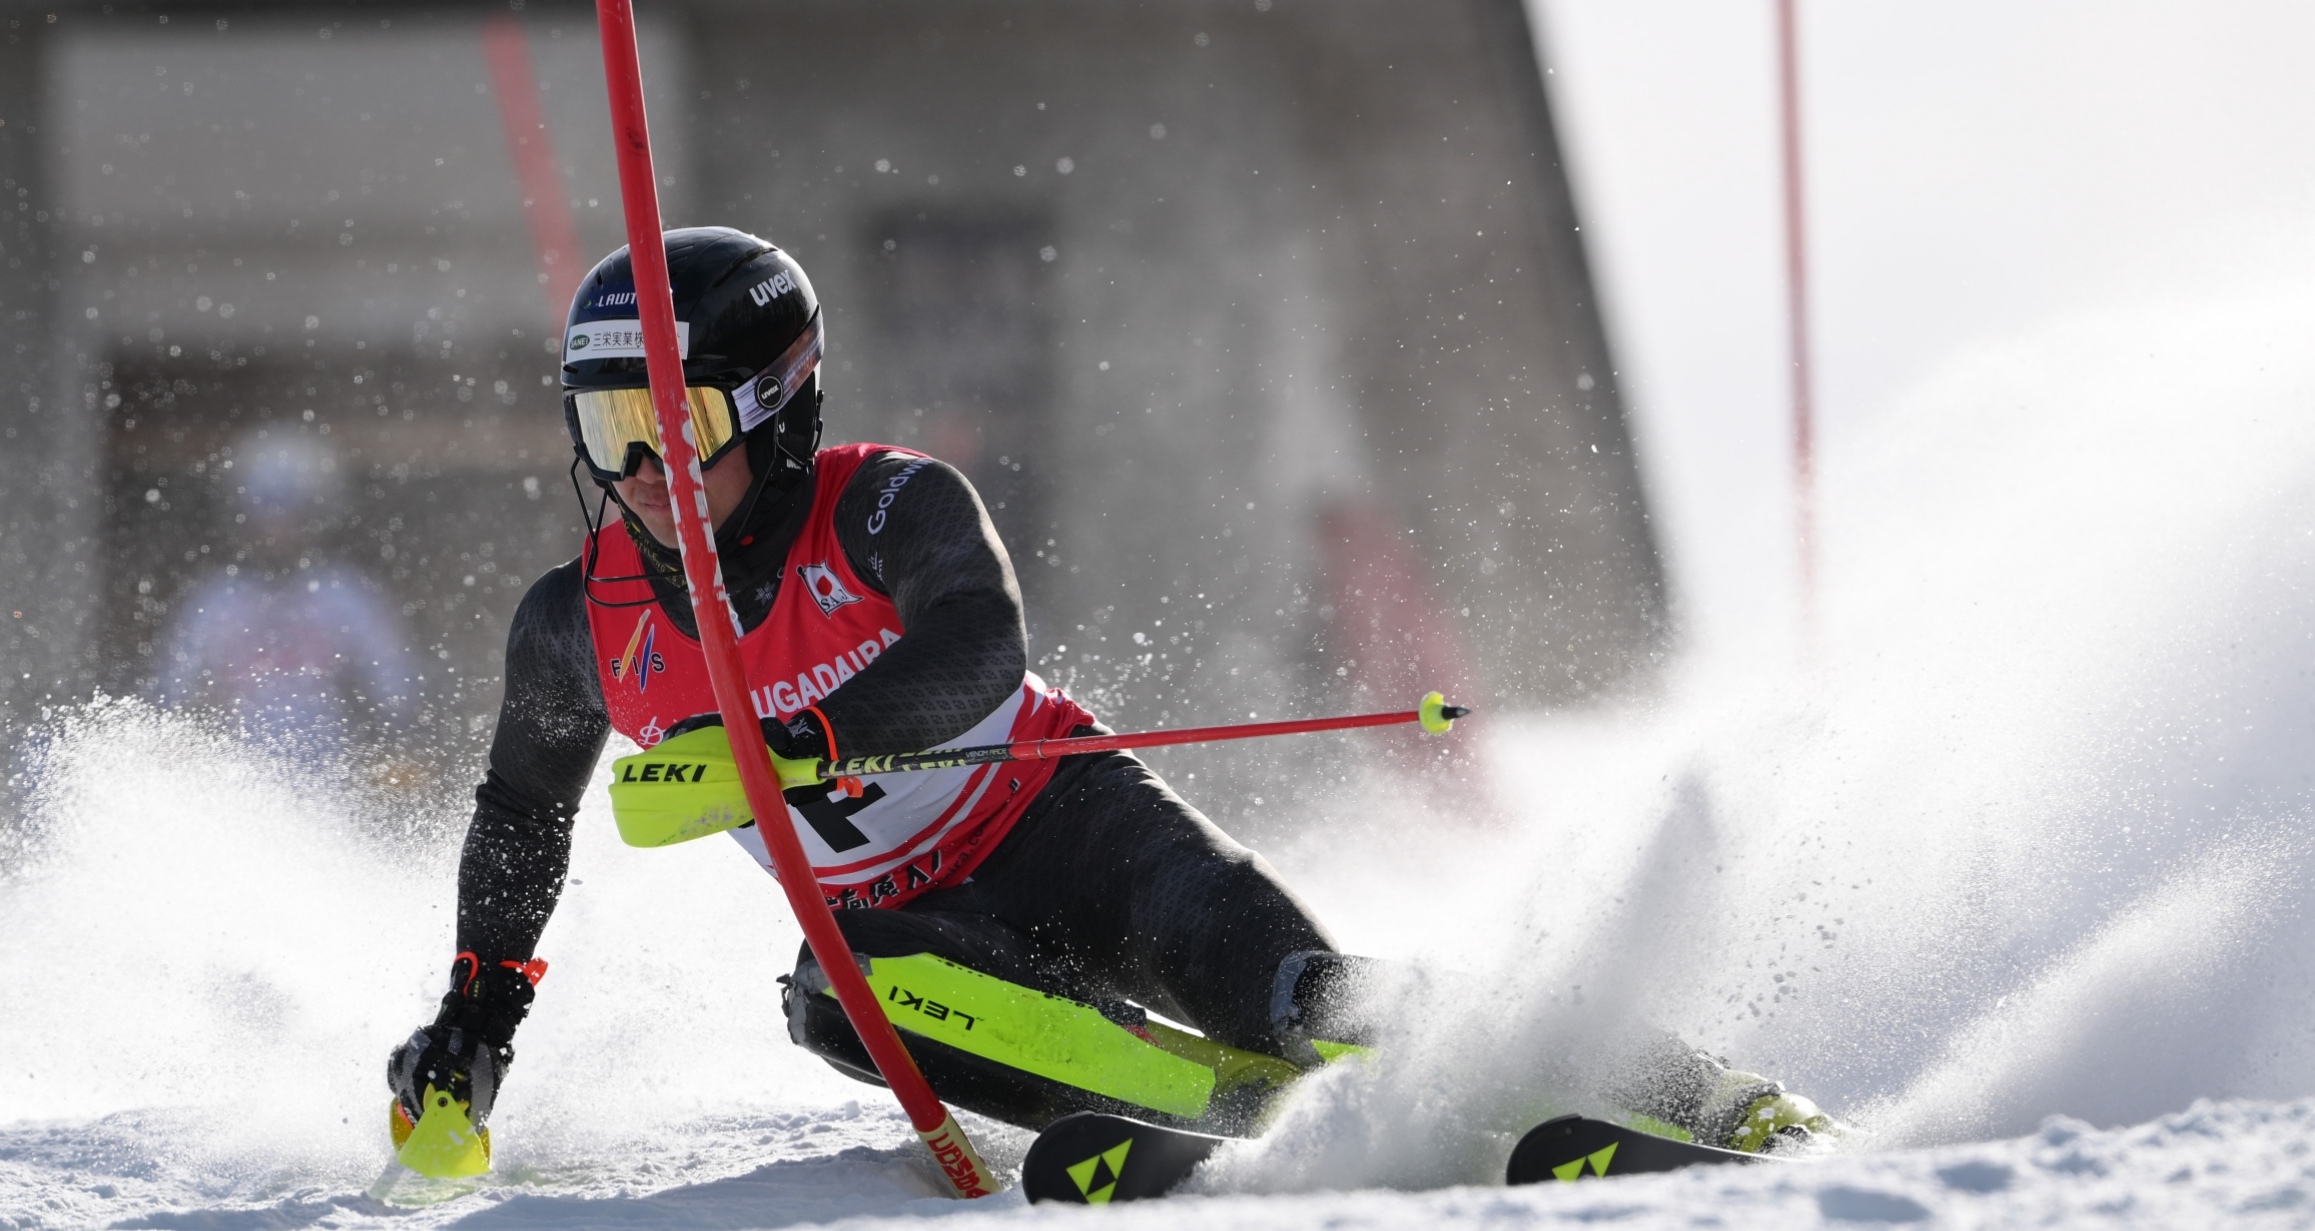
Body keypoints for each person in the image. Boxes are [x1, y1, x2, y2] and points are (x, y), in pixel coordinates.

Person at [384, 227, 1830, 1170]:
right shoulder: (578, 626)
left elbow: (978, 644)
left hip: (1073, 827)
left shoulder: (886, 506)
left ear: (776, 406)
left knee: (1297, 998)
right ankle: (1226, 1128)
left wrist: (796, 740)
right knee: (839, 996)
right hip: (929, 937)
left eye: (677, 424)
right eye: (610, 430)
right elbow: (521, 815)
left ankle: (1704, 1098)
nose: (643, 472)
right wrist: (475, 1018)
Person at [159, 433, 414, 765]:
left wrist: (393, 748)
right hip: (234, 778)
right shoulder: (216, 601)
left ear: (315, 516)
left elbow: (396, 691)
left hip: (334, 778)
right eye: (264, 513)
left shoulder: (346, 597)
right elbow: (173, 696)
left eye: (290, 513)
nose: (276, 529)